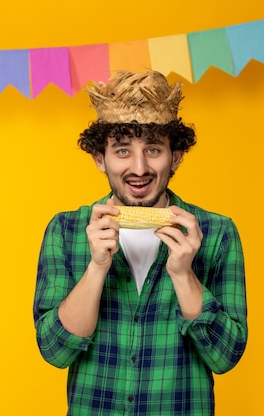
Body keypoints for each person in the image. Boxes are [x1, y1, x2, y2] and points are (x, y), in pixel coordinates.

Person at [33, 70, 247, 415]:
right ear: (100, 158)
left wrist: (183, 275)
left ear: (175, 157)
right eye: (122, 150)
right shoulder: (66, 230)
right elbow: (56, 352)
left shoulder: (218, 232)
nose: (139, 167)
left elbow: (224, 357)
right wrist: (96, 267)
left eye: (153, 149)